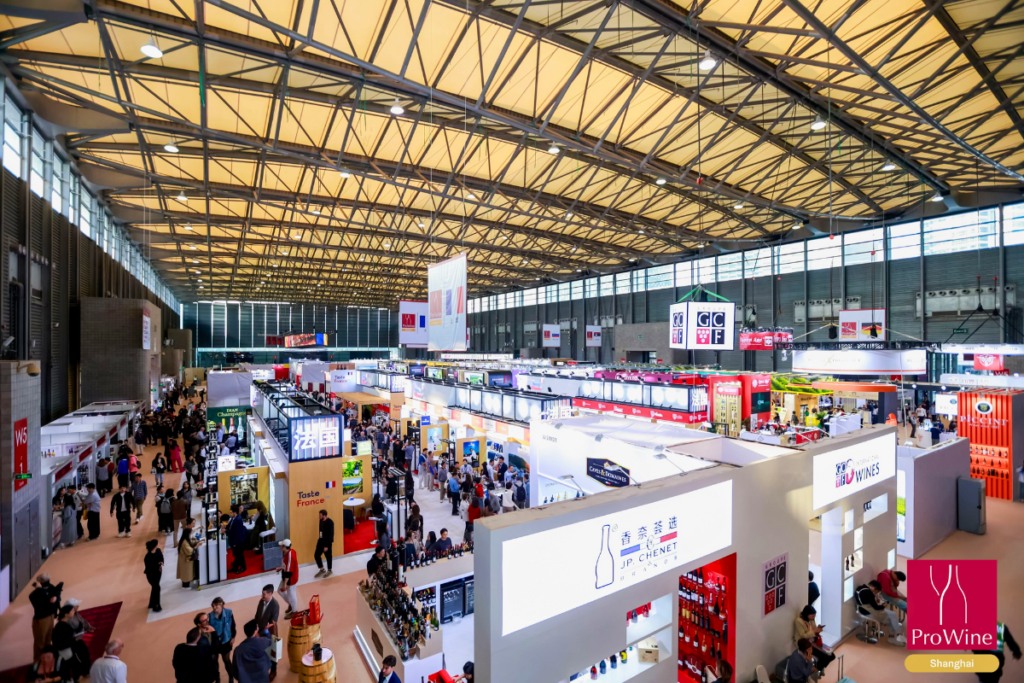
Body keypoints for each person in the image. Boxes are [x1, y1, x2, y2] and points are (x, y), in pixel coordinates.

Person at [856, 581, 904, 645]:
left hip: (861, 609)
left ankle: (898, 632)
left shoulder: (860, 588)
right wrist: (883, 606)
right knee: (890, 620)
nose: (875, 593)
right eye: (876, 592)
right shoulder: (869, 593)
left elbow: (873, 605)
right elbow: (876, 607)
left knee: (893, 614)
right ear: (873, 588)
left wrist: (881, 606)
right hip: (868, 612)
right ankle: (893, 637)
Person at [793, 605, 835, 673]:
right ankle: (815, 670)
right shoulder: (798, 621)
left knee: (832, 656)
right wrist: (814, 631)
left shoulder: (811, 620)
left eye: (814, 616)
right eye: (812, 616)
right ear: (807, 614)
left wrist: (818, 630)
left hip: (813, 641)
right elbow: (803, 635)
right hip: (804, 643)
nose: (813, 618)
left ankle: (817, 669)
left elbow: (814, 629)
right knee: (825, 657)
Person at [30, 574, 61, 662]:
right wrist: (39, 589)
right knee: (40, 642)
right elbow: (41, 599)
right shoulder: (35, 594)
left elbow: (55, 591)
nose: (47, 582)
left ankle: (47, 658)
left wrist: (55, 596)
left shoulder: (49, 587)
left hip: (51, 616)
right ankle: (38, 661)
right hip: (41, 619)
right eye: (44, 580)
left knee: (48, 639)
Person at [209, 598, 237, 683]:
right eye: (213, 606)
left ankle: (231, 677)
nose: (214, 608)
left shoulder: (229, 612)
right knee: (214, 661)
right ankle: (217, 678)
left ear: (221, 604)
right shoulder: (209, 616)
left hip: (226, 641)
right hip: (214, 643)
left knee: (226, 660)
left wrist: (233, 637)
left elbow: (233, 625)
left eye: (216, 606)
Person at [254, 586, 279, 679]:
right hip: (259, 631)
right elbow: (257, 616)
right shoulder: (261, 601)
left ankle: (273, 671)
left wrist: (262, 633)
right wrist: (256, 629)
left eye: (264, 594)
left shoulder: (275, 605)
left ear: (270, 594)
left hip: (270, 633)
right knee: (261, 652)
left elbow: (272, 623)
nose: (262, 596)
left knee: (272, 652)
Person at [64, 599, 94, 672]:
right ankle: (85, 671)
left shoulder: (75, 613)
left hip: (78, 638)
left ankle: (87, 669)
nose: (78, 606)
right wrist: (81, 630)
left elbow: (82, 621)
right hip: (74, 640)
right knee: (83, 655)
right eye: (76, 605)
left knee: (85, 654)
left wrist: (88, 627)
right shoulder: (68, 618)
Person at [277, 539, 299, 618]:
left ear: (284, 547)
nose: (280, 546)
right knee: (280, 591)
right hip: (286, 576)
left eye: (281, 545)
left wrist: (285, 584)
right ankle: (291, 604)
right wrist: (280, 568)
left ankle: (294, 611)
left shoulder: (290, 555)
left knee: (291, 595)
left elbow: (289, 571)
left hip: (291, 578)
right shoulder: (287, 552)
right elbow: (286, 565)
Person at [144, 539, 165, 612]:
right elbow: (149, 568)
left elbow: (161, 557)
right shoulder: (147, 557)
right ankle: (156, 605)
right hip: (151, 575)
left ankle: (152, 604)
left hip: (158, 573)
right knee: (157, 588)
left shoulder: (158, 550)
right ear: (155, 546)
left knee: (155, 588)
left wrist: (161, 562)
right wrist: (158, 564)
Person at [227, 506, 249, 574]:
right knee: (237, 555)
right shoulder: (233, 518)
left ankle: (243, 567)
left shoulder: (238, 520)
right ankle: (235, 567)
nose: (230, 514)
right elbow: (230, 526)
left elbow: (234, 532)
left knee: (240, 555)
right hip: (236, 540)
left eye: (231, 512)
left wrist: (225, 531)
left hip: (239, 540)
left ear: (234, 513)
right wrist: (225, 527)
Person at [178, 518, 198, 588]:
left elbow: (190, 543)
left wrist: (197, 542)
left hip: (185, 560)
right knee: (186, 573)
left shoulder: (185, 539)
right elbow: (189, 551)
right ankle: (185, 586)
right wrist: (196, 546)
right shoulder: (184, 542)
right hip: (185, 561)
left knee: (187, 573)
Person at [314, 510, 334, 578]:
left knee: (328, 556)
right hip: (321, 541)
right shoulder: (321, 521)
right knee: (316, 555)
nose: (319, 517)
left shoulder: (330, 522)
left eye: (320, 515)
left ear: (324, 515)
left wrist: (326, 546)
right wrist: (319, 540)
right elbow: (320, 531)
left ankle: (329, 570)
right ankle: (322, 569)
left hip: (327, 543)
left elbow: (331, 535)